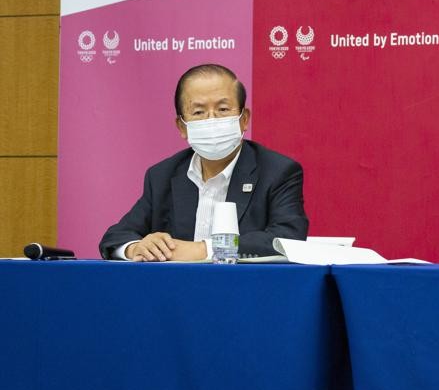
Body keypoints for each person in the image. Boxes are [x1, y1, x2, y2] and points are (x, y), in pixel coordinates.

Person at [100, 64, 308, 261]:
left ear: (244, 119)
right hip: (176, 292)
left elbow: (288, 238)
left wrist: (204, 249)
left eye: (223, 109)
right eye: (199, 112)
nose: (212, 120)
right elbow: (115, 237)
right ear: (182, 127)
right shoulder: (162, 175)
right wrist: (136, 247)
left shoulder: (278, 172)